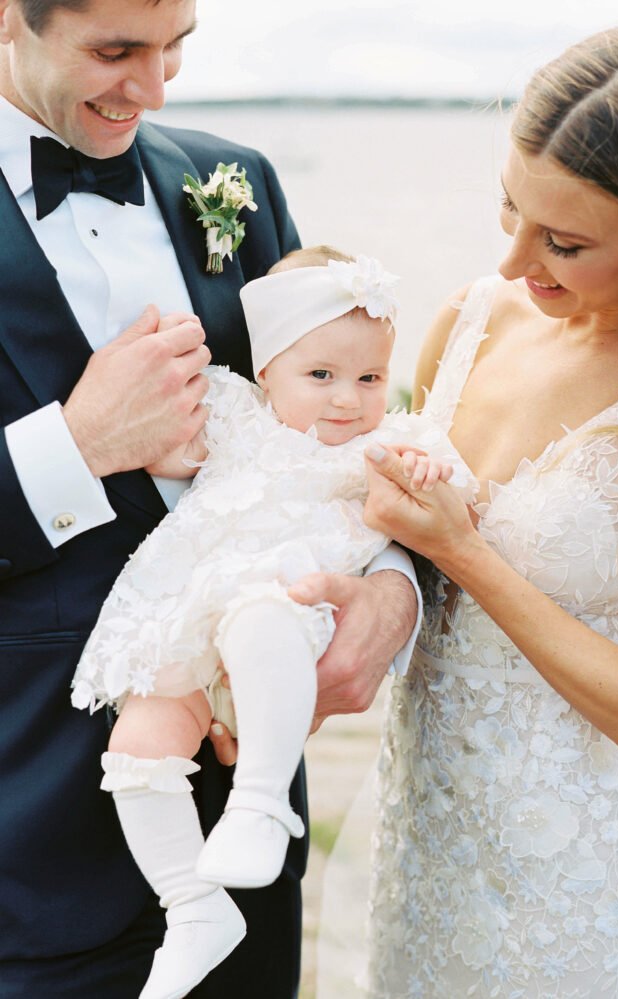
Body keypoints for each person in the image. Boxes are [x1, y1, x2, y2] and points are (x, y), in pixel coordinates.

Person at [0, 2, 419, 996]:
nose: (154, 89)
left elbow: (346, 425)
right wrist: (78, 446)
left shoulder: (233, 182)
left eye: (175, 48)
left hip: (244, 813)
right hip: (29, 827)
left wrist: (393, 592)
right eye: (115, 53)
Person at [71, 246, 477, 999]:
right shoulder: (238, 418)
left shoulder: (384, 444)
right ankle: (192, 906)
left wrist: (427, 477)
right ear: (266, 373)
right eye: (320, 376)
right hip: (192, 634)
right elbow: (167, 441)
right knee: (138, 744)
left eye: (367, 378)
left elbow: (452, 496)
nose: (348, 400)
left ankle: (262, 802)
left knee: (264, 618)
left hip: (294, 620)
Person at [362, 23, 618, 998]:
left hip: (573, 874)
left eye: (564, 243)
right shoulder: (468, 320)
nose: (511, 264)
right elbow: (390, 540)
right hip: (423, 837)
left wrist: (467, 553)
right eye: (508, 211)